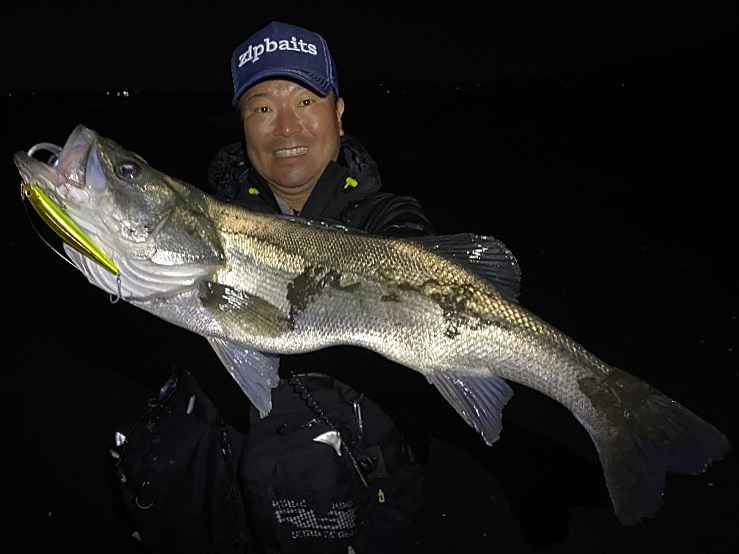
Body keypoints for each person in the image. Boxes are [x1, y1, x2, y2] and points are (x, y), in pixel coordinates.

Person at [111, 21, 435, 554]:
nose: (286, 128)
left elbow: (414, 260)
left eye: (305, 102)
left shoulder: (386, 219)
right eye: (262, 107)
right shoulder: (210, 216)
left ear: (339, 112)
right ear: (242, 123)